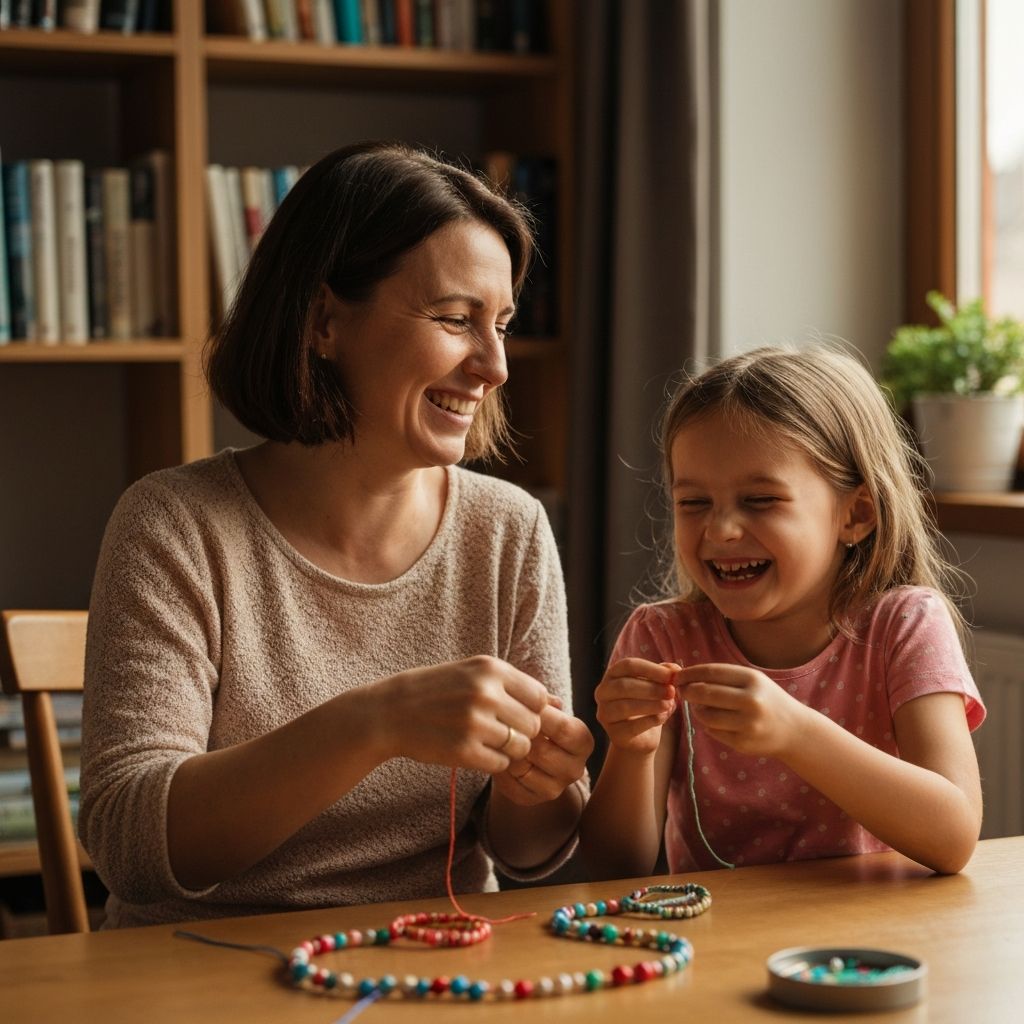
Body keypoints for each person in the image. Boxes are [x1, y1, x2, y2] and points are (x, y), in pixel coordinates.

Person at [79, 141, 593, 928]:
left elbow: (526, 851)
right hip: (198, 979)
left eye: (502, 325)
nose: (495, 366)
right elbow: (131, 849)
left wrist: (542, 789)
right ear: (323, 320)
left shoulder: (509, 530)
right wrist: (374, 724)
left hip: (439, 973)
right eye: (457, 320)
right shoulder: (175, 524)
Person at [580, 346, 985, 879]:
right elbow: (613, 869)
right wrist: (633, 749)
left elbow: (954, 837)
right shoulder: (662, 637)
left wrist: (795, 732)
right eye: (693, 503)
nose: (721, 530)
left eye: (761, 500)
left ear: (856, 514)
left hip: (872, 948)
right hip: (722, 941)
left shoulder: (904, 625)